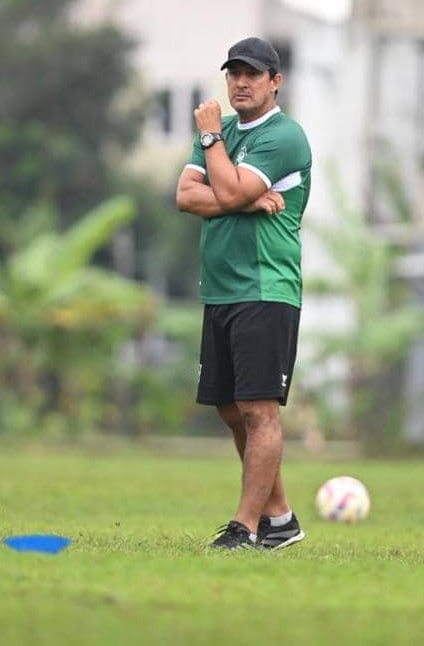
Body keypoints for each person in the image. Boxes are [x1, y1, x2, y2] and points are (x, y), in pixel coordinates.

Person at [175, 36, 313, 550]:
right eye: (233, 73)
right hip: (221, 290)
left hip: (265, 286)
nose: (240, 82)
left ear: (275, 81)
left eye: (252, 74)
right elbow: (185, 196)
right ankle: (280, 518)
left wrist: (212, 142)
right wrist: (245, 201)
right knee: (231, 409)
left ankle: (246, 527)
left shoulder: (284, 136)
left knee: (259, 410)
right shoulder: (225, 132)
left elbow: (225, 190)